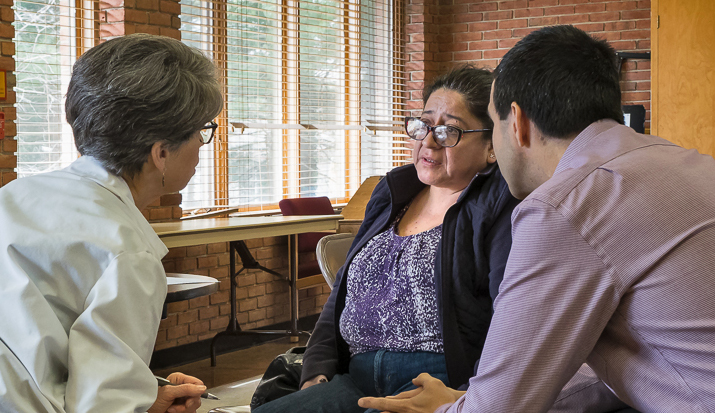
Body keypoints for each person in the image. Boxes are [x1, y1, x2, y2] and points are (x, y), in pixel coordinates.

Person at [359, 25, 715, 413]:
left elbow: (501, 410)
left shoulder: (566, 206)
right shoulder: (689, 164)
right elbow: (641, 364)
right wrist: (471, 399)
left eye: (493, 125)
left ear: (517, 123)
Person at [253, 66, 519, 413]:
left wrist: (469, 396)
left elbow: (512, 318)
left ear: (492, 147)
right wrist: (316, 371)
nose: (427, 141)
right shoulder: (393, 191)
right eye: (423, 125)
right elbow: (342, 295)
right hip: (353, 377)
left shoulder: (499, 206)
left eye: (448, 131)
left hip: (434, 383)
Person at [0, 34, 223, 412]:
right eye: (203, 130)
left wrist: (139, 387)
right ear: (161, 152)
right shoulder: (127, 252)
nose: (203, 144)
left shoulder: (15, 195)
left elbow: (34, 336)